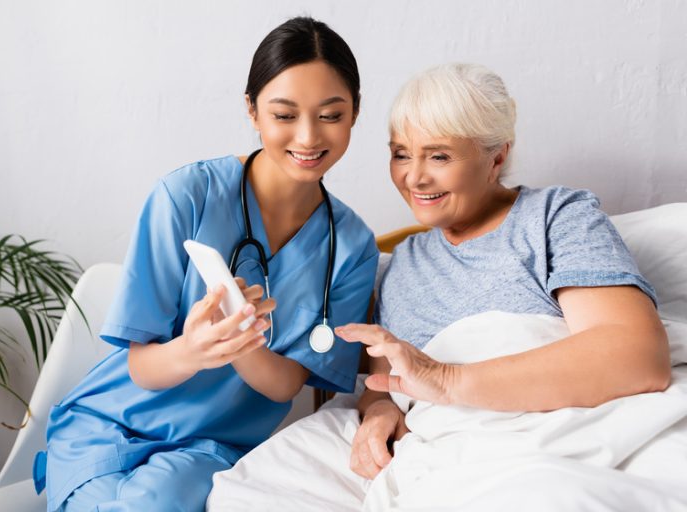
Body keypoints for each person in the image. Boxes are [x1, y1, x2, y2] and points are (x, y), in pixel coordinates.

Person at [207, 62, 671, 510]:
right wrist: (381, 411)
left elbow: (635, 356)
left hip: (549, 436)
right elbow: (385, 384)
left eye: (439, 156)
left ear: (497, 157)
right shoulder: (403, 265)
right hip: (447, 445)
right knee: (244, 493)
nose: (414, 177)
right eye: (400, 154)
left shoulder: (556, 218)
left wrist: (448, 381)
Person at [33, 17, 378, 512]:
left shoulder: (352, 246)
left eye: (330, 115)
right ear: (252, 110)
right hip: (108, 426)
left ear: (355, 113)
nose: (307, 137)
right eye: (284, 115)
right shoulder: (186, 197)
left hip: (209, 449)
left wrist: (240, 341)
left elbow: (285, 384)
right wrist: (195, 349)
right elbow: (142, 367)